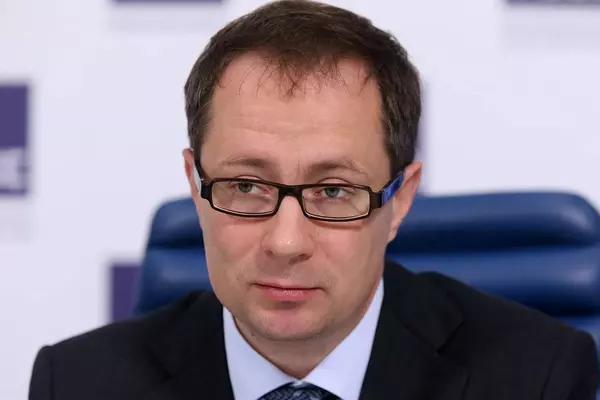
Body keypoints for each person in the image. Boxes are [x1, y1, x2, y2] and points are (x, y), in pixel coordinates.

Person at [29, 0, 599, 399]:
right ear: (195, 186)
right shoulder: (77, 383)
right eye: (246, 186)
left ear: (400, 201)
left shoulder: (538, 377)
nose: (286, 242)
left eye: (332, 191)